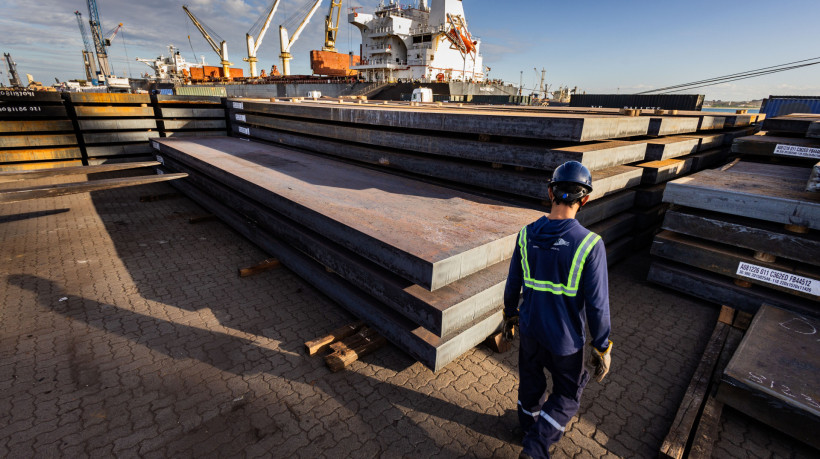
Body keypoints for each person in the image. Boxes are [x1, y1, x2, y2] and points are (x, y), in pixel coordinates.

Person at [502, 160, 612, 459]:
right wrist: (601, 346)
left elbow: (513, 284)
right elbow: (598, 305)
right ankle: (535, 448)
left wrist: (510, 315)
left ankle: (529, 428)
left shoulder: (526, 235)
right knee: (566, 394)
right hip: (565, 340)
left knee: (531, 382)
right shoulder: (590, 244)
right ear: (585, 199)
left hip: (531, 330)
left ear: (550, 192)